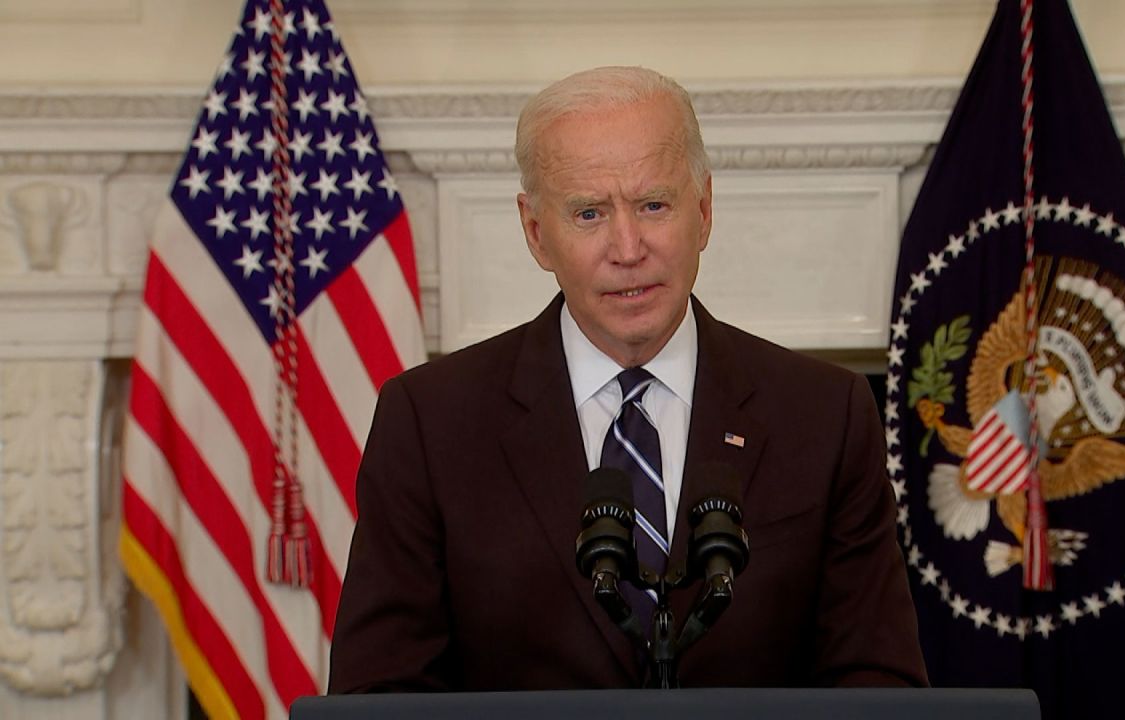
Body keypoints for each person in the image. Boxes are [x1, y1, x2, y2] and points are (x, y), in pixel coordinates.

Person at [328, 66, 927, 691]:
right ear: (536, 233)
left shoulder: (825, 415)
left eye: (653, 205)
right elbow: (380, 695)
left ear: (704, 209)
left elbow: (878, 685)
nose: (628, 247)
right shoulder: (430, 423)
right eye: (588, 213)